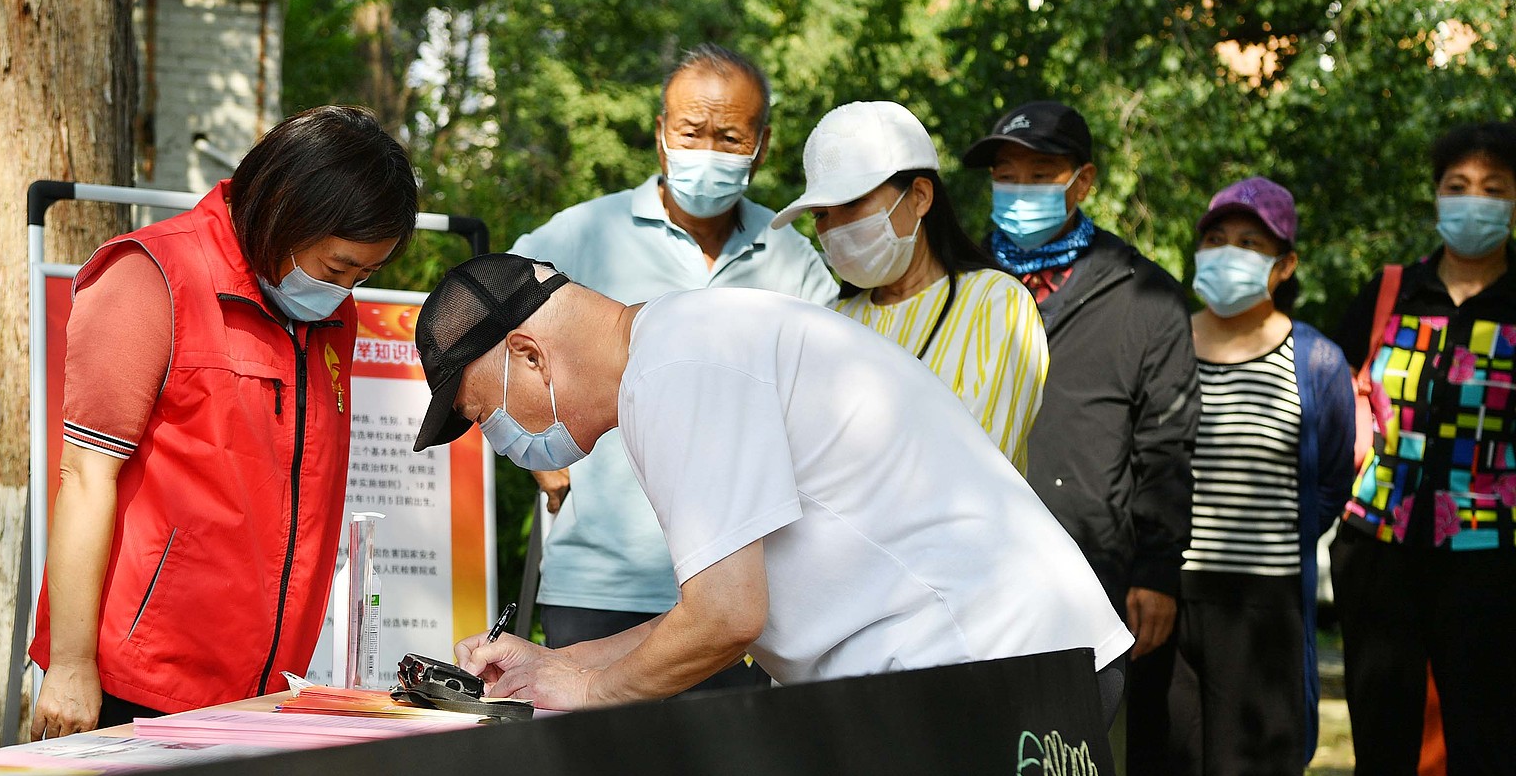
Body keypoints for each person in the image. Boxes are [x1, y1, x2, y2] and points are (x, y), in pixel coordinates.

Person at [410, 256, 1131, 710]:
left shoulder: (675, 371)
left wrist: (587, 689)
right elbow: (716, 608)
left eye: (483, 412)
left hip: (987, 667)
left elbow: (726, 617)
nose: (499, 438)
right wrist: (556, 663)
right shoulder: (688, 341)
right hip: (1016, 659)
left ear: (530, 354)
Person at [29, 106, 419, 733]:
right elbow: (85, 476)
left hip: (266, 688)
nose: (345, 290)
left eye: (364, 276)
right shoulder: (152, 275)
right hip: (138, 680)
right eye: (338, 268)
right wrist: (72, 667)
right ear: (285, 208)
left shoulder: (327, 314)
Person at [510, 45, 838, 687]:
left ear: (762, 145)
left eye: (729, 136)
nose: (707, 150)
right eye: (691, 132)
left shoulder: (792, 260)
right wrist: (540, 451)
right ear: (661, 135)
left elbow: (819, 410)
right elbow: (484, 326)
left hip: (749, 597)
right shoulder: (582, 235)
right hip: (601, 583)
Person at [1140, 179, 1354, 776]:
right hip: (1168, 595)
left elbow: (1333, 473)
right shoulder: (1166, 345)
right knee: (1176, 772)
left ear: (1285, 263)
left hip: (1264, 601)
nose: (1229, 253)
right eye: (1217, 236)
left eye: (1252, 242)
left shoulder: (1318, 359)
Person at [1329, 120, 1516, 776]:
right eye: (1458, 181)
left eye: (1493, 185)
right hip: (1381, 555)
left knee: (1482, 749)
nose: (1472, 199)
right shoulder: (1390, 292)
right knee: (1382, 751)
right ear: (1434, 190)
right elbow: (1326, 395)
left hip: (1489, 565)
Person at [962, 101, 1197, 660]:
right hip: (967, 566)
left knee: (1081, 742)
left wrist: (1159, 573)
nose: (1020, 192)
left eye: (1041, 176)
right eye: (1006, 178)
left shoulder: (1146, 294)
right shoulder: (957, 280)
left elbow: (1167, 447)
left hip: (1093, 576)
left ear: (1082, 182)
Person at [774, 101, 1047, 472]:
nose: (834, 228)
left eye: (852, 204)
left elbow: (977, 468)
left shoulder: (996, 303)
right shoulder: (833, 322)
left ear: (920, 196)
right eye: (821, 215)